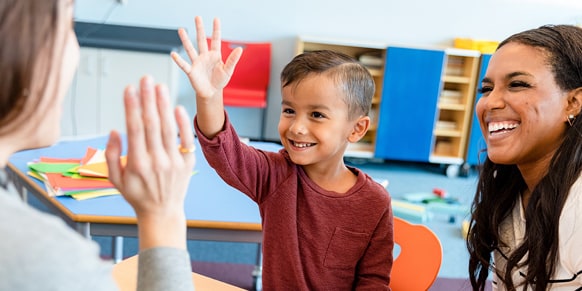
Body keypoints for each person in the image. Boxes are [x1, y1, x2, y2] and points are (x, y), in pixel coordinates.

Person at [172, 16, 393, 290]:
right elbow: (225, 151)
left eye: (317, 114)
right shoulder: (275, 175)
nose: (297, 127)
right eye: (289, 110)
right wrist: (209, 97)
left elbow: (374, 281)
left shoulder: (375, 202)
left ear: (357, 129)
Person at [0, 0, 195, 290]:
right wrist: (162, 217)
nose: (76, 52)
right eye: (68, 26)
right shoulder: (48, 260)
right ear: (18, 46)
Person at [466, 24, 582, 291]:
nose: (490, 103)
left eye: (517, 84)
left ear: (573, 102)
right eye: (486, 89)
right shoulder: (508, 192)